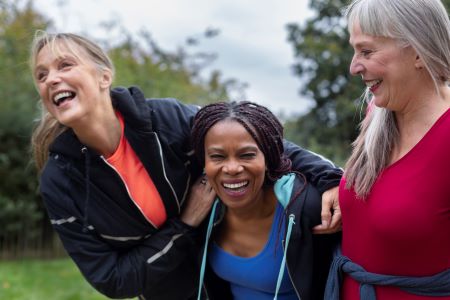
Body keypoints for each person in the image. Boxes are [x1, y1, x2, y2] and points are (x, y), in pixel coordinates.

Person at [29, 31, 343, 299]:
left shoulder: (165, 120)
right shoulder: (60, 180)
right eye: (41, 75)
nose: (51, 79)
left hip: (227, 280)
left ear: (104, 77)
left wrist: (330, 179)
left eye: (65, 65)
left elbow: (254, 143)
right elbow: (112, 278)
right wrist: (185, 224)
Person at [324, 0, 450, 299]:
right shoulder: (377, 113)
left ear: (418, 51)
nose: (353, 67)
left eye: (366, 51)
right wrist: (336, 187)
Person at [191, 101, 341, 300]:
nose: (232, 168)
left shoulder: (307, 208)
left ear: (268, 159)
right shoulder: (203, 209)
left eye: (247, 155)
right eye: (218, 156)